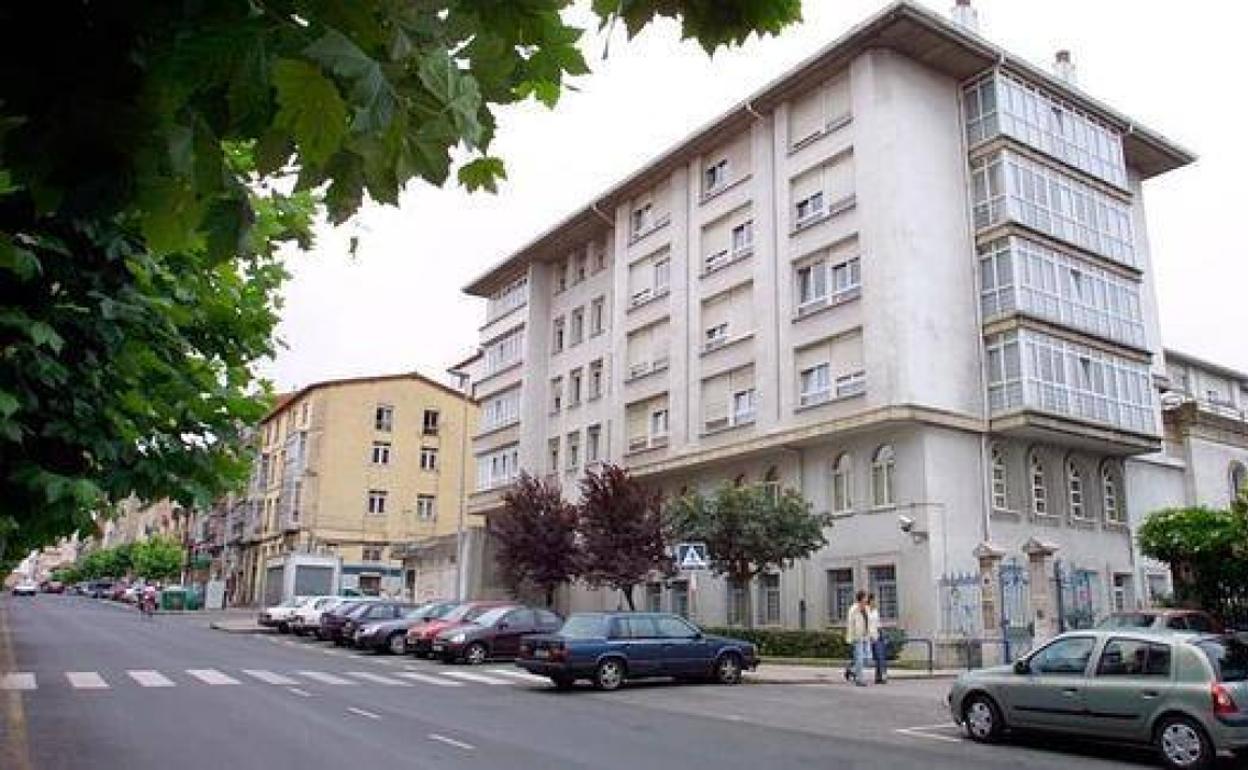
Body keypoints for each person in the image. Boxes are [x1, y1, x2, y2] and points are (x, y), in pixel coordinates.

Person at [843, 590, 870, 686]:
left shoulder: (866, 609)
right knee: (859, 658)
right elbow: (850, 624)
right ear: (861, 598)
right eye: (865, 597)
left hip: (866, 636)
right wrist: (850, 637)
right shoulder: (853, 609)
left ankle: (851, 670)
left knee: (868, 658)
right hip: (857, 637)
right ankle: (859, 679)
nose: (867, 599)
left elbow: (869, 622)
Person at [867, 593, 888, 684]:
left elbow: (878, 624)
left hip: (877, 635)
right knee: (866, 657)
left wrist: (882, 633)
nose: (874, 602)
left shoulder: (875, 611)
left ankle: (880, 677)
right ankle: (852, 669)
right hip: (868, 636)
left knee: (880, 656)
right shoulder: (865, 611)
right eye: (873, 600)